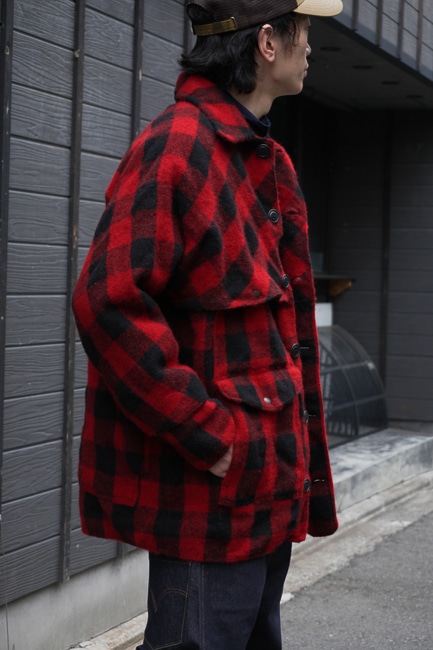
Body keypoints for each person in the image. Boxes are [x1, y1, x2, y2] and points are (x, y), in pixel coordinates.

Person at [72, 0, 343, 648]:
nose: (311, 48)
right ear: (268, 43)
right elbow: (107, 300)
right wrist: (207, 433)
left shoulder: (266, 160)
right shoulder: (179, 147)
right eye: (304, 32)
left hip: (265, 498)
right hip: (208, 503)